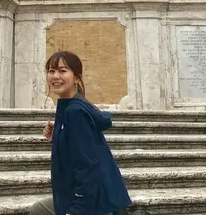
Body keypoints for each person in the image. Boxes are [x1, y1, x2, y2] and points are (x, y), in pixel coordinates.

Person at [29, 51, 131, 215]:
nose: (55, 76)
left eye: (62, 71)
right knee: (39, 210)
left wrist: (77, 210)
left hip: (93, 202)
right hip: (88, 196)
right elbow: (80, 145)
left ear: (77, 77)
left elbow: (88, 167)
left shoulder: (74, 111)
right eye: (51, 71)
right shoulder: (71, 107)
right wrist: (60, 132)